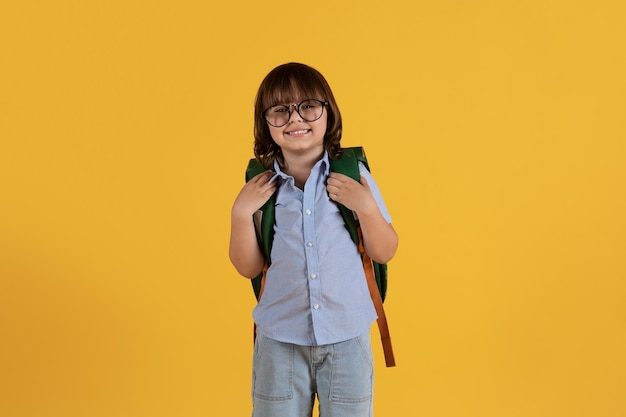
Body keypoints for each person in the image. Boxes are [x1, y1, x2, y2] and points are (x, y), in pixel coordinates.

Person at [229, 62, 398, 417]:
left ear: (328, 113)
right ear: (266, 123)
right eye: (280, 110)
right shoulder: (260, 187)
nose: (295, 119)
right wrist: (240, 214)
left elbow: (385, 250)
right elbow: (249, 267)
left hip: (346, 337)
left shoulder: (355, 175)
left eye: (308, 106)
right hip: (280, 342)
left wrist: (366, 208)